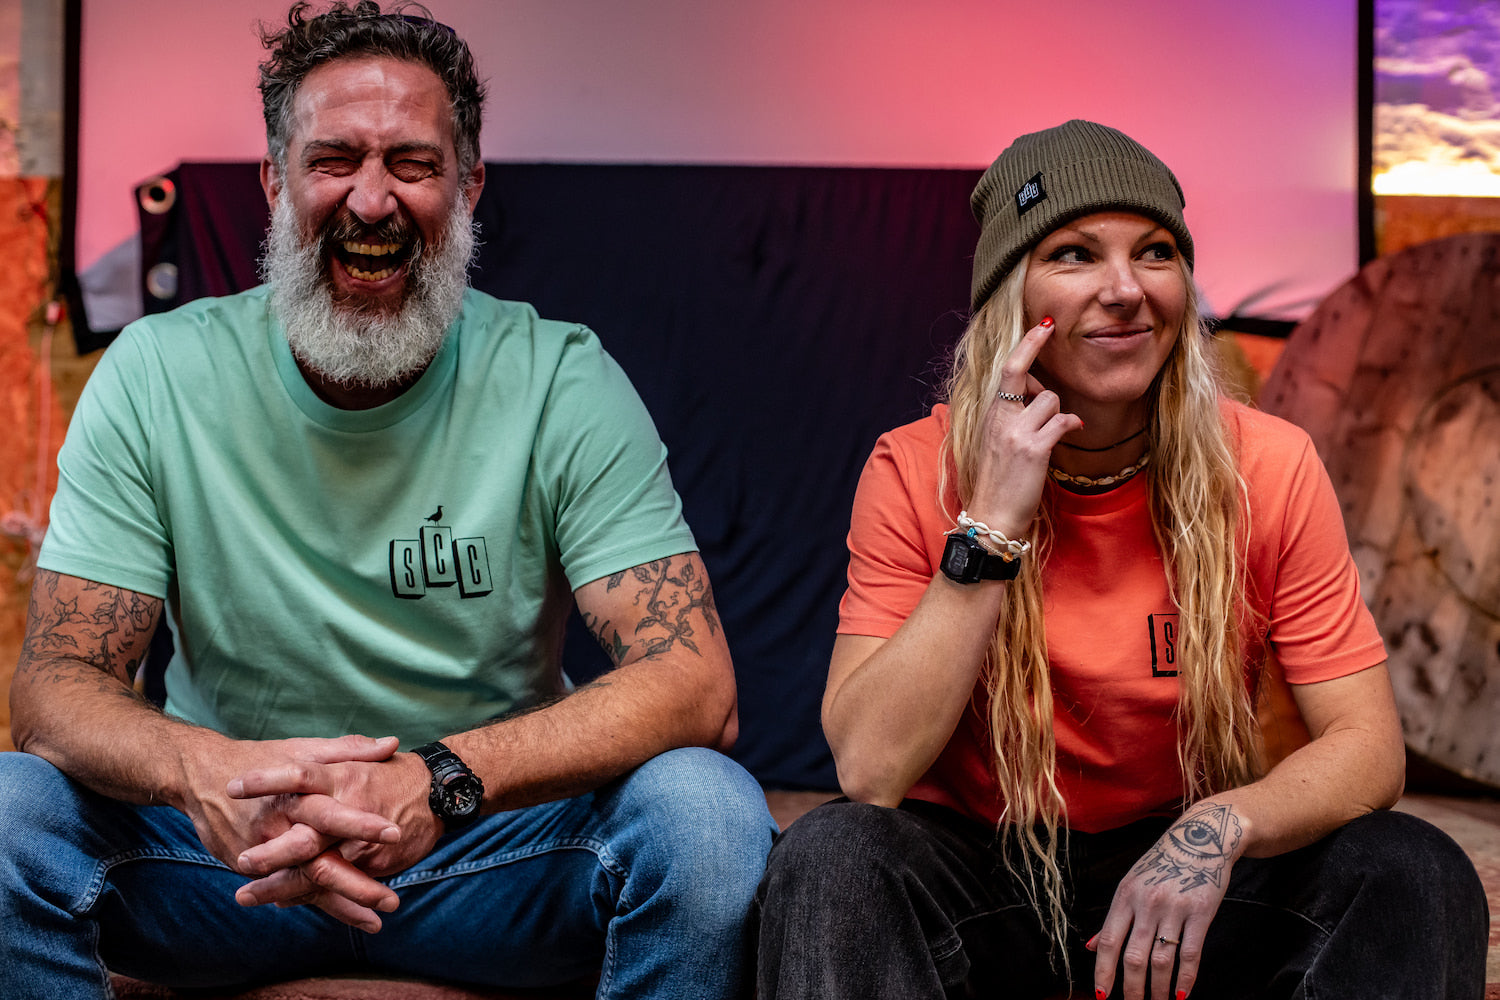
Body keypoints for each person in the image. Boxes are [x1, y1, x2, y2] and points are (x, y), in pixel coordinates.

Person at [1, 3, 774, 997]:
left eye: (412, 163)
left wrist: (444, 782)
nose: (372, 201)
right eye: (334, 161)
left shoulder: (559, 376)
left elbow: (696, 683)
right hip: (225, 867)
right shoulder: (157, 372)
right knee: (12, 812)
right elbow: (53, 686)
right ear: (275, 183)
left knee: (707, 814)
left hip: (488, 860)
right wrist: (206, 776)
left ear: (469, 186)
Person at [754, 120, 1488, 1000]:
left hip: (1186, 875)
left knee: (1415, 871)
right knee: (829, 860)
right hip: (985, 874)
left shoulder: (1268, 464)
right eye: (1073, 254)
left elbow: (1369, 749)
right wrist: (990, 523)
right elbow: (871, 769)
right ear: (1010, 297)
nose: (1126, 290)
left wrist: (1218, 828)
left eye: (1155, 252)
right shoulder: (916, 467)